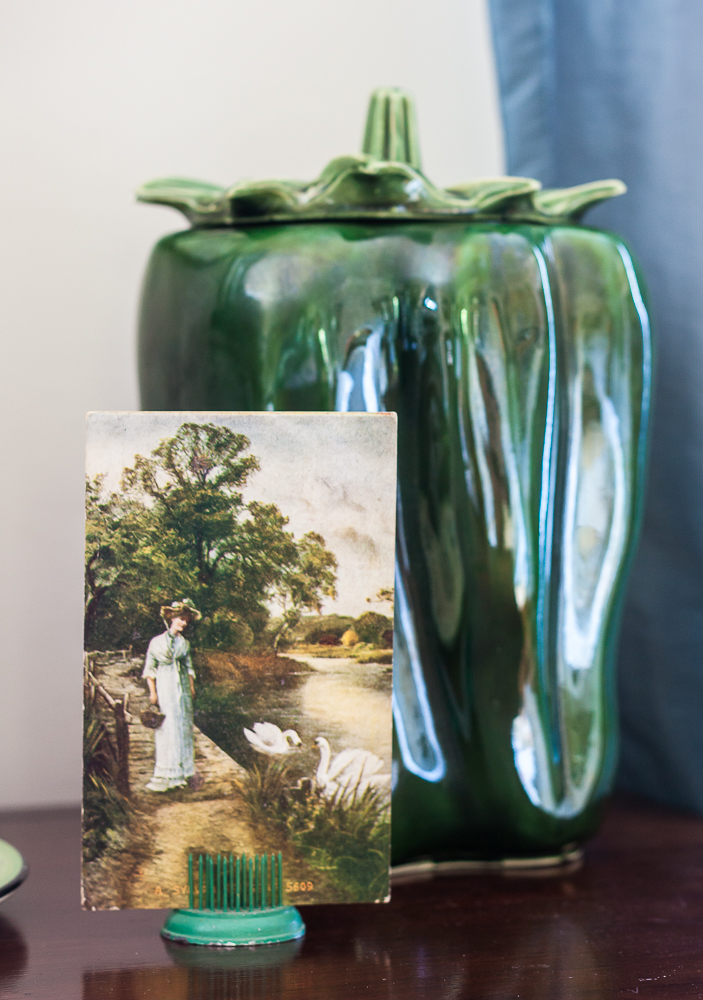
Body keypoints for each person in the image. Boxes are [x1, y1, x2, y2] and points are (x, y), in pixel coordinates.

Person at [142, 599, 202, 792]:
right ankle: (168, 774)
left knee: (183, 727)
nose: (184, 623)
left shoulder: (184, 643)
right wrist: (153, 692)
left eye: (186, 620)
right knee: (167, 728)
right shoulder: (156, 642)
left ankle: (184, 771)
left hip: (183, 689)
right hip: (165, 686)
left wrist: (191, 688)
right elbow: (149, 669)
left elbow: (189, 667)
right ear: (171, 619)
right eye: (181, 619)